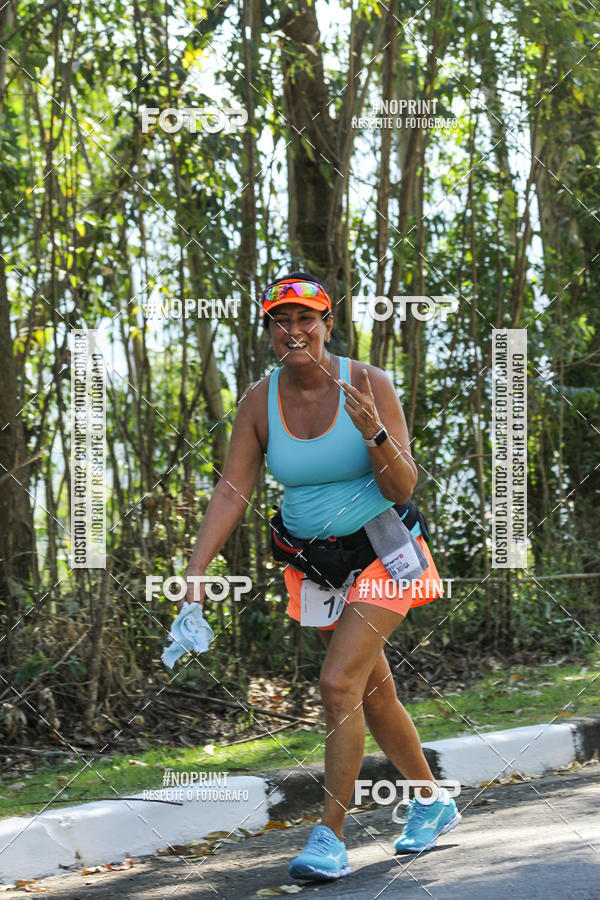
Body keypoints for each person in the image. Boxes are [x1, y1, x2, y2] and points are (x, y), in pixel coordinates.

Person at [183, 272, 461, 881]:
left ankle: (329, 835)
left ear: (328, 324)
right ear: (269, 332)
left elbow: (402, 485)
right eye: (281, 320)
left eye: (306, 318)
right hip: (314, 565)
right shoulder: (259, 401)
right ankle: (433, 801)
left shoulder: (367, 382)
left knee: (337, 685)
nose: (294, 330)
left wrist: (375, 434)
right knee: (370, 692)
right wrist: (197, 568)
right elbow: (233, 490)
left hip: (385, 550)